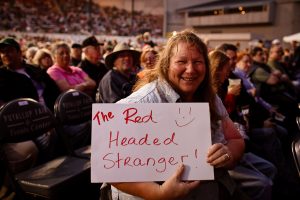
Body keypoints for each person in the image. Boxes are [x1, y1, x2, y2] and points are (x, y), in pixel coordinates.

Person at [111, 30, 245, 200]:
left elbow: (236, 139)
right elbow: (109, 166)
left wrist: (228, 153)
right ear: (166, 65)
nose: (190, 70)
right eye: (181, 61)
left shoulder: (210, 97)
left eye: (197, 62)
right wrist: (158, 193)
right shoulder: (141, 103)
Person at [215, 44, 277, 200]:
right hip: (222, 157)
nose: (232, 64)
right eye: (230, 60)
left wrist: (255, 119)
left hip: (237, 142)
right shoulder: (210, 91)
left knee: (270, 168)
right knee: (264, 182)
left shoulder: (231, 80)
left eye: (235, 59)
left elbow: (245, 106)